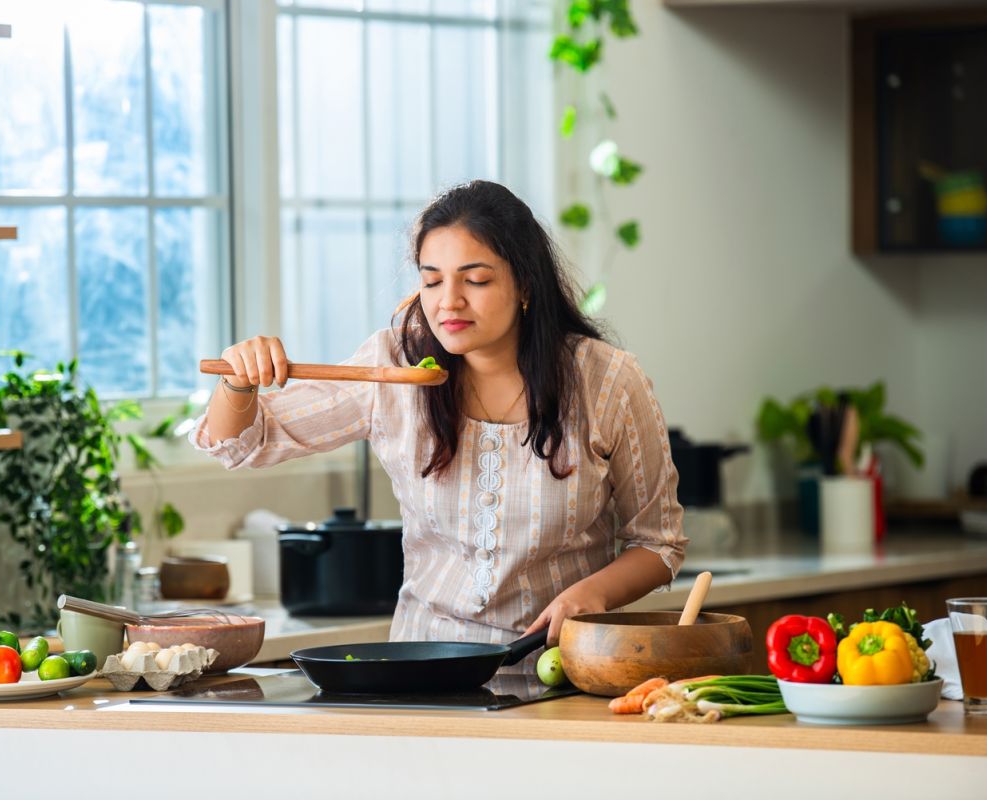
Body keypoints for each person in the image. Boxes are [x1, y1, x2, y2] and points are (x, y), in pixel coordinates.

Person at [194, 180, 686, 665]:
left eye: (475, 280)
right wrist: (239, 382)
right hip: (423, 669)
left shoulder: (608, 380)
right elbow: (242, 445)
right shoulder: (394, 366)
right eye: (431, 280)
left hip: (562, 668)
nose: (447, 301)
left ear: (526, 284)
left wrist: (591, 594)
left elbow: (659, 543)